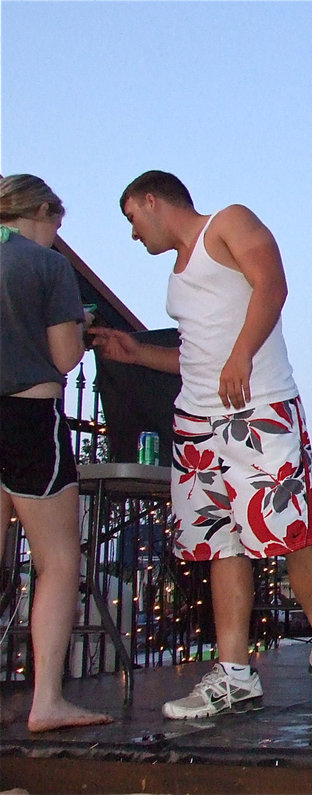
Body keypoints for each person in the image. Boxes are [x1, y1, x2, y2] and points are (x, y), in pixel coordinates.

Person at [90, 171, 312, 718]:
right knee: (220, 544)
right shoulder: (176, 276)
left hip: (260, 406)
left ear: (152, 201)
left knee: (291, 531)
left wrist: (243, 353)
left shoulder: (228, 223)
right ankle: (235, 674)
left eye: (131, 218)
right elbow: (196, 357)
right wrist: (136, 354)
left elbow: (273, 285)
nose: (132, 234)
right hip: (197, 423)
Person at [0, 174, 113, 733]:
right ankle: (46, 699)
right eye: (56, 227)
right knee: (59, 561)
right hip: (25, 416)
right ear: (42, 211)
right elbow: (64, 357)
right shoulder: (45, 267)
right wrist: (80, 326)